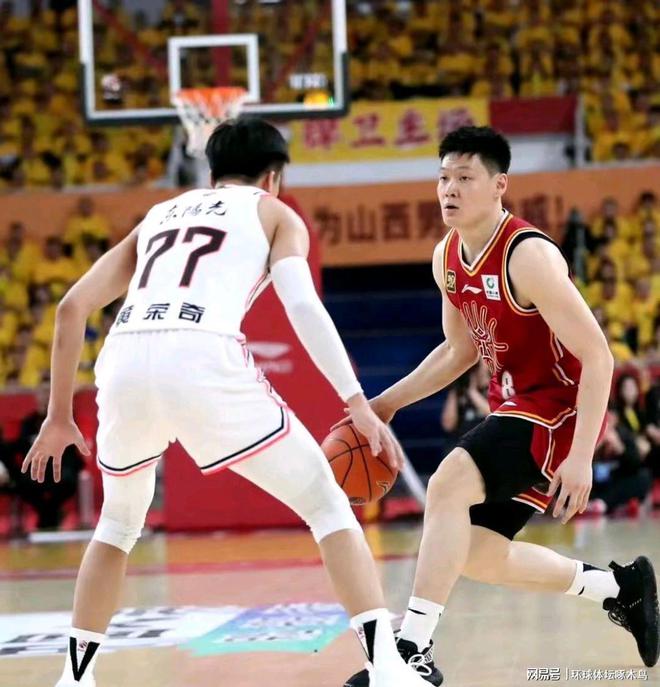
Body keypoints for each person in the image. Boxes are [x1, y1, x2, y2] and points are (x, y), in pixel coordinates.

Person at [22, 117, 429, 687]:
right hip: (200, 354)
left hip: (124, 358)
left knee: (116, 525)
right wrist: (356, 401)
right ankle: (385, 667)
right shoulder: (275, 213)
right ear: (274, 176)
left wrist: (59, 416)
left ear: (212, 172)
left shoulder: (159, 215)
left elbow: (71, 307)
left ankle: (74, 677)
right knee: (327, 506)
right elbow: (302, 306)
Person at [343, 126, 659, 686]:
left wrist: (581, 457)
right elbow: (459, 350)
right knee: (477, 553)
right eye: (443, 177)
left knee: (446, 484)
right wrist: (387, 403)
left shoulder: (527, 255)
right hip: (514, 408)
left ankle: (412, 651)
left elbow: (598, 356)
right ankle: (619, 588)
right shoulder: (446, 256)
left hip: (561, 409)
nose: (449, 189)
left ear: (499, 186)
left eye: (465, 178)